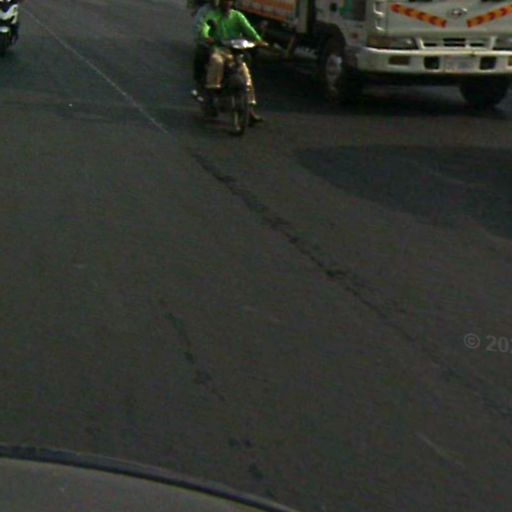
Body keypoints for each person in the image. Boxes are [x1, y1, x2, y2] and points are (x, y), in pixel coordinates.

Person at [199, 0, 267, 124]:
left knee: (245, 73)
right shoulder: (213, 15)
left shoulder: (237, 16)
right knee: (217, 61)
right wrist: (207, 37)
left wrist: (258, 40)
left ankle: (249, 108)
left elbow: (248, 29)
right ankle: (212, 90)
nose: (227, 3)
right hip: (220, 49)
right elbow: (206, 28)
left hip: (235, 51)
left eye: (229, 1)